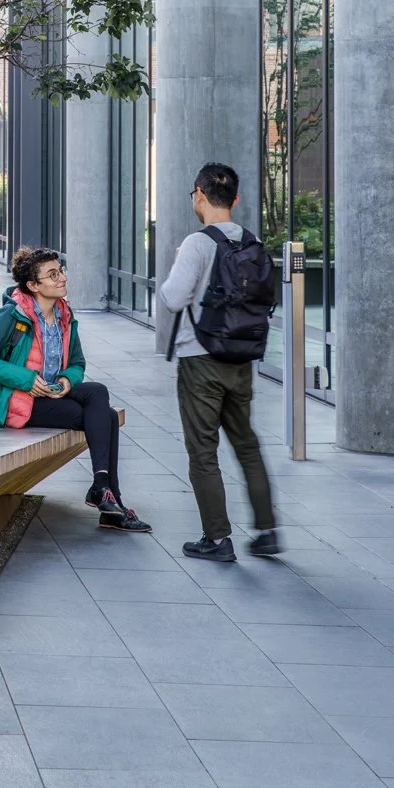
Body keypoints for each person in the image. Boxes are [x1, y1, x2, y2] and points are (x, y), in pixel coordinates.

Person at [0, 244, 151, 531]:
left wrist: (67, 380)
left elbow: (77, 362)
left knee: (97, 392)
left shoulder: (64, 314)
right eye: (52, 275)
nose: (61, 278)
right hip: (21, 401)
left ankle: (103, 490)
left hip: (52, 392)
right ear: (33, 285)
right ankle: (110, 503)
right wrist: (25, 379)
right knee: (107, 417)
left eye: (60, 271)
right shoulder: (12, 316)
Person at [159, 161, 279, 562]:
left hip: (201, 360)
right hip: (241, 360)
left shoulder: (198, 244)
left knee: (203, 451)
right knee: (246, 444)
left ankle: (217, 538)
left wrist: (179, 261)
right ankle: (267, 530)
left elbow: (173, 298)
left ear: (199, 194)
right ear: (236, 198)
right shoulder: (251, 240)